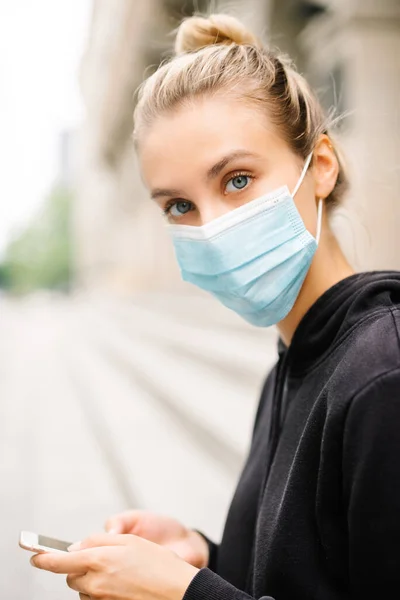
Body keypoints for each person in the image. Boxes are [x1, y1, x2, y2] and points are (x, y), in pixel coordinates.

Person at [30, 13, 400, 600]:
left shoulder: (381, 376)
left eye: (236, 180)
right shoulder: (295, 362)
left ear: (321, 167)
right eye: (178, 205)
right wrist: (205, 554)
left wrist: (185, 593)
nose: (212, 226)